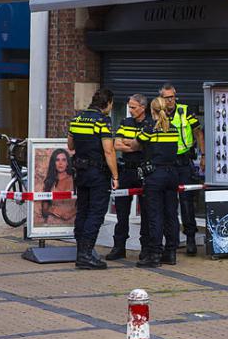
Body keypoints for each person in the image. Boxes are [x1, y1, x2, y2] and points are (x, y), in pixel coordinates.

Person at [67, 88, 119, 270]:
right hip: (97, 173)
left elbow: (70, 145)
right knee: (95, 213)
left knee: (82, 210)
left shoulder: (77, 119)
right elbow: (109, 151)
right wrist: (115, 175)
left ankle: (81, 250)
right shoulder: (102, 121)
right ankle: (86, 255)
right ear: (108, 103)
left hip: (80, 172)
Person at [131, 96, 181, 268]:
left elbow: (134, 145)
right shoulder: (174, 129)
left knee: (155, 216)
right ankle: (171, 252)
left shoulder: (149, 129)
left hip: (155, 175)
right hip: (172, 174)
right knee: (171, 215)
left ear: (151, 110)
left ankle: (154, 255)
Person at [160, 84, 205, 256]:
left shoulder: (184, 111)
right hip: (167, 163)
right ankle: (172, 240)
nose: (170, 100)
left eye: (172, 97)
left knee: (187, 203)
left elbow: (198, 133)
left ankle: (191, 239)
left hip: (184, 162)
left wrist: (203, 156)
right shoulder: (158, 114)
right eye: (166, 97)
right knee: (169, 204)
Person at [106, 94, 150, 261]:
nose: (130, 110)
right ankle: (119, 247)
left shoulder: (149, 124)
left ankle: (145, 248)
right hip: (126, 171)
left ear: (143, 107)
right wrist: (136, 146)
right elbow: (116, 145)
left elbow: (147, 147)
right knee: (122, 212)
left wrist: (130, 143)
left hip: (144, 172)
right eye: (129, 107)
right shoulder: (126, 122)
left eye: (133, 107)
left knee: (146, 212)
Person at [39, 148, 76, 225]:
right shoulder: (50, 182)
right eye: (57, 160)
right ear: (53, 163)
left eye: (63, 160)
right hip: (53, 222)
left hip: (73, 223)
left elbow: (83, 204)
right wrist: (55, 210)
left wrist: (70, 213)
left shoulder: (75, 179)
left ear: (68, 163)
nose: (60, 163)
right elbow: (44, 210)